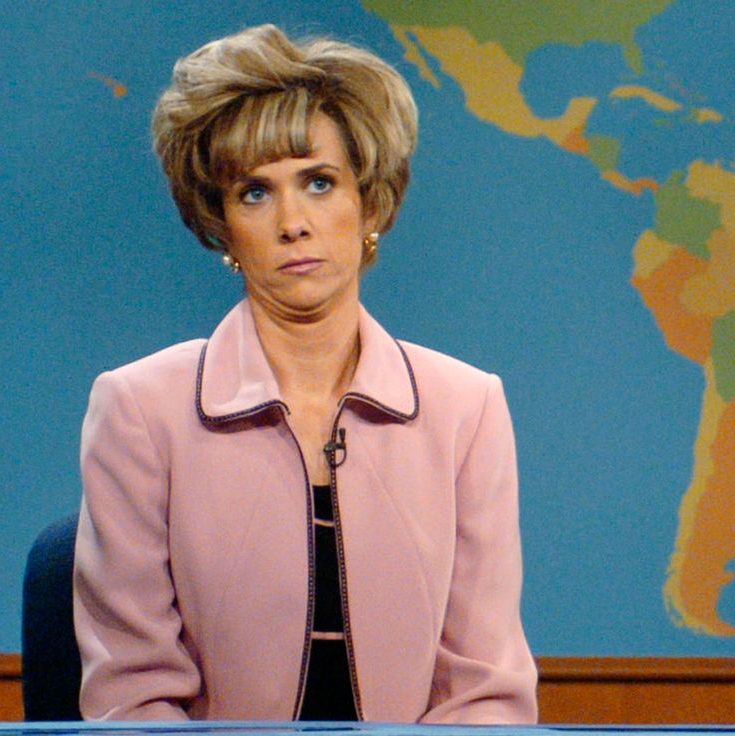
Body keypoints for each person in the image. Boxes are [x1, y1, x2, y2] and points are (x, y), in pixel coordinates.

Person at [73, 23, 538, 723]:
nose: (293, 222)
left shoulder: (466, 410)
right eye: (254, 194)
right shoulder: (139, 411)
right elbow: (132, 700)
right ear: (222, 225)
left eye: (318, 183)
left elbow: (484, 692)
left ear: (370, 202)